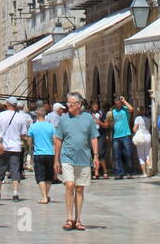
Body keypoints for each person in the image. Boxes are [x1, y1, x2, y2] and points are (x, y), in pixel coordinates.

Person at [53, 92, 99, 231]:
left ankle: (78, 220)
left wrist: (96, 156)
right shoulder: (64, 119)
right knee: (70, 185)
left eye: (71, 103)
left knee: (79, 189)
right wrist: (56, 160)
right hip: (67, 158)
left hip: (84, 158)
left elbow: (93, 137)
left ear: (78, 105)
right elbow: (58, 139)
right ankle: (69, 218)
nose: (68, 105)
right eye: (67, 103)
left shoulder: (88, 119)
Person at [0, 96, 31, 202]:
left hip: (3, 146)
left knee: (1, 169)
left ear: (8, 104)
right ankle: (15, 193)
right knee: (15, 170)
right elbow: (23, 134)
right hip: (16, 147)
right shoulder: (21, 117)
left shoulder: (0, 115)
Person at [28, 105, 57, 203]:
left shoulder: (33, 127)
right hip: (50, 153)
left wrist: (31, 147)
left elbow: (29, 140)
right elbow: (54, 140)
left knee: (40, 176)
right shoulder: (51, 126)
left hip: (38, 153)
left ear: (36, 114)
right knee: (49, 176)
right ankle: (46, 195)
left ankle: (44, 197)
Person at [110, 95, 136, 179]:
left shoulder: (125, 110)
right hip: (116, 136)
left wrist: (124, 101)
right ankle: (119, 172)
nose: (118, 103)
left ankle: (129, 172)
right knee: (117, 155)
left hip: (125, 134)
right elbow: (110, 122)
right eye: (116, 101)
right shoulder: (112, 112)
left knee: (128, 154)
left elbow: (132, 109)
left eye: (119, 101)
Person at [132, 107, 152, 177]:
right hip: (148, 136)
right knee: (147, 154)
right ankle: (149, 167)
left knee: (141, 156)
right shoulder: (148, 119)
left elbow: (134, 129)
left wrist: (135, 133)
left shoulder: (138, 118)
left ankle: (144, 173)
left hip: (141, 138)